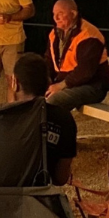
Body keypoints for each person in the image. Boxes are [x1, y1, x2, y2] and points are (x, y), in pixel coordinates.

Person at [12, 53, 77, 185]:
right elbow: (60, 178)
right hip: (42, 198)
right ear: (48, 83)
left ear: (15, 83)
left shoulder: (4, 118)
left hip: (8, 197)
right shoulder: (64, 120)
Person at [43, 0, 109, 111]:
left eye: (60, 14)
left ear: (73, 14)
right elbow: (48, 61)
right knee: (33, 98)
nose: (56, 18)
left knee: (52, 101)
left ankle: (57, 128)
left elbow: (85, 71)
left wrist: (60, 86)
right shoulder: (54, 34)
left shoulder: (89, 35)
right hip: (67, 83)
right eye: (54, 14)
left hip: (92, 85)